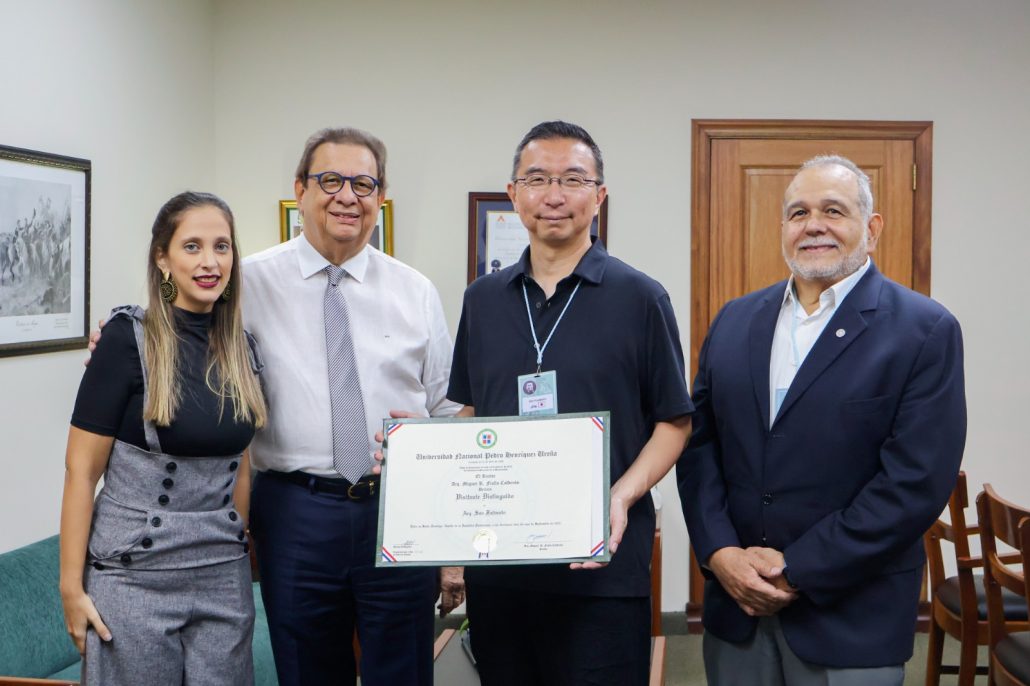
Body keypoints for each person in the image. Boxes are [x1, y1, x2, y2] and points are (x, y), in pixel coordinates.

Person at [677, 155, 966, 685]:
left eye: (834, 210)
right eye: (798, 212)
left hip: (852, 619)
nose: (814, 225)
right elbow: (699, 448)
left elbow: (915, 483)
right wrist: (720, 553)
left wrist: (795, 567)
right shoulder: (735, 321)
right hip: (736, 611)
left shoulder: (924, 331)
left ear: (871, 228)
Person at [447, 120, 694, 685]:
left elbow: (674, 422)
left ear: (599, 196)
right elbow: (471, 414)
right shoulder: (482, 300)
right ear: (514, 194)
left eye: (573, 179)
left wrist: (620, 497)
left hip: (600, 564)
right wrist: (427, 464)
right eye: (536, 179)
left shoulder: (641, 297)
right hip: (501, 565)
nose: (554, 196)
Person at [242, 127, 460, 686]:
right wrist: (124, 333)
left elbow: (448, 410)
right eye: (330, 180)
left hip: (398, 511)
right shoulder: (247, 284)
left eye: (363, 184)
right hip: (294, 511)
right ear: (301, 189)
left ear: (379, 197)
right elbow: (181, 326)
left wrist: (450, 544)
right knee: (307, 669)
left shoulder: (415, 291)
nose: (347, 196)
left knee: (403, 670)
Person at [60, 191, 266, 685]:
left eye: (222, 246)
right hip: (133, 576)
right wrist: (71, 586)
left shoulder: (245, 350)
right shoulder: (126, 339)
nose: (210, 261)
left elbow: (241, 464)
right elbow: (81, 472)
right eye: (192, 246)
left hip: (222, 573)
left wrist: (240, 536)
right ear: (162, 258)